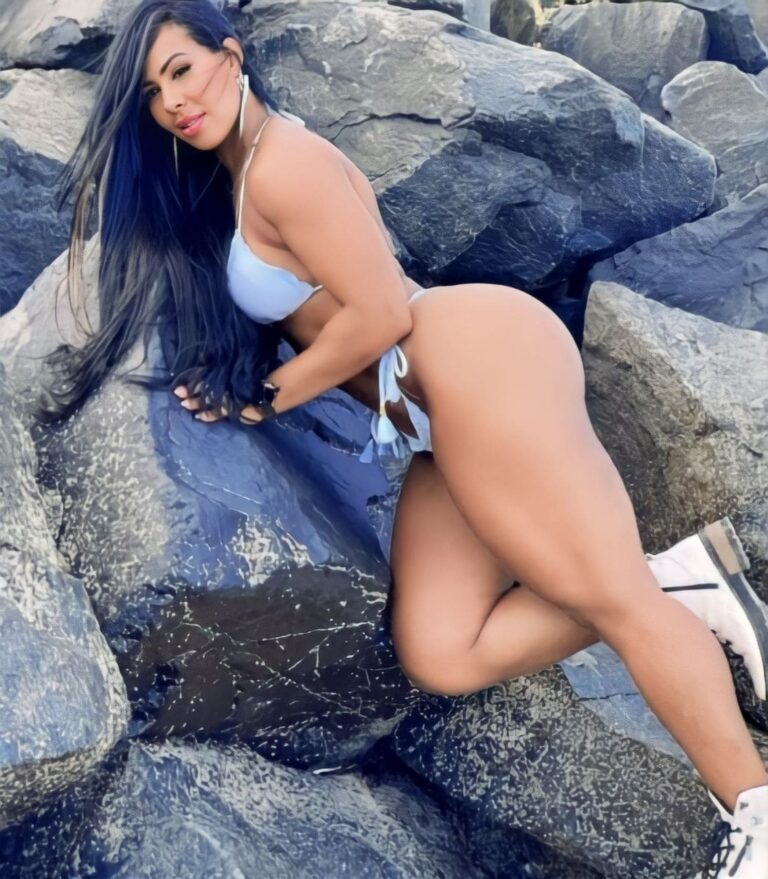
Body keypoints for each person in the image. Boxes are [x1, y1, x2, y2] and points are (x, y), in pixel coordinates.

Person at [40, 1, 767, 875]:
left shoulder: (285, 164)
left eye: (182, 71)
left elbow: (381, 310)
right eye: (153, 93)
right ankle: (676, 580)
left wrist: (267, 399)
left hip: (475, 361)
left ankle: (753, 812)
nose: (173, 102)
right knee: (441, 649)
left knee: (616, 603)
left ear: (230, 56)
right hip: (429, 414)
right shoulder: (239, 174)